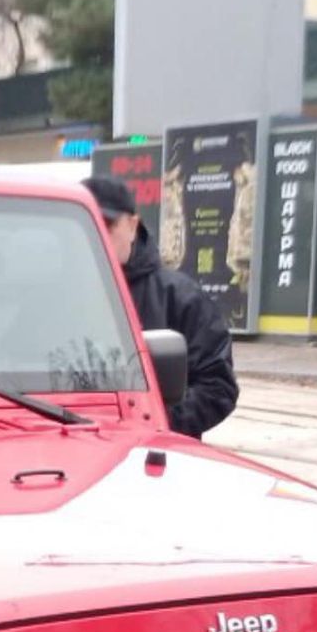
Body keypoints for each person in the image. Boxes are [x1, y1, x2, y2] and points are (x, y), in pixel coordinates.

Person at [82, 174, 237, 438]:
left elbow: (217, 387)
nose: (96, 236)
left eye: (106, 225)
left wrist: (156, 422)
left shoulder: (180, 297)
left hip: (151, 448)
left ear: (132, 226)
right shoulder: (56, 295)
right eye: (88, 225)